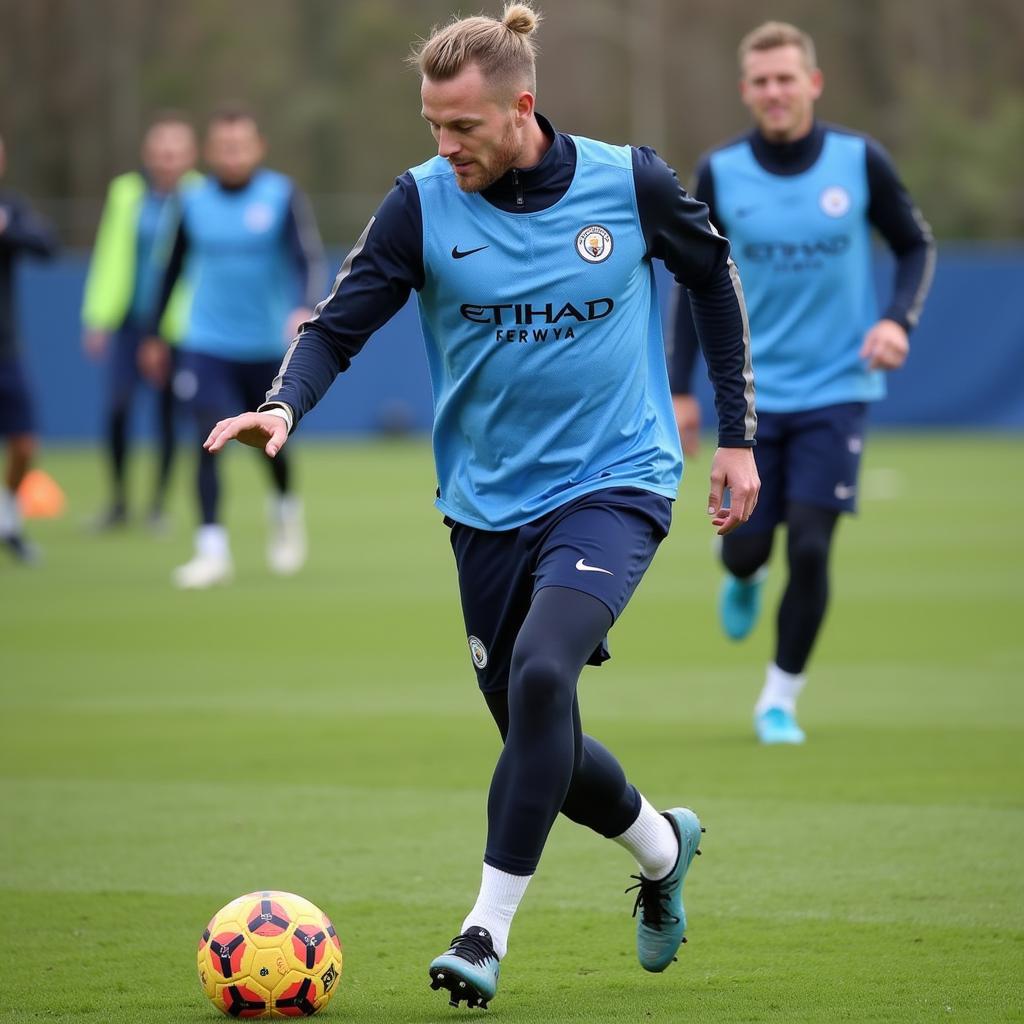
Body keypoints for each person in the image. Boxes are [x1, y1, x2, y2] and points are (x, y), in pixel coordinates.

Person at [205, 3, 758, 1008]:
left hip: (614, 481)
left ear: (521, 109)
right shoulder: (419, 205)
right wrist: (283, 404)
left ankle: (483, 930)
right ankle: (661, 843)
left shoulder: (624, 181)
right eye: (431, 124)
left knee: (545, 673)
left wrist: (737, 437)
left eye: (462, 126)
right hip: (484, 504)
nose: (444, 144)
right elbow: (336, 327)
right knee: (530, 727)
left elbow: (711, 276)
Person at [668, 21, 935, 745]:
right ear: (744, 91)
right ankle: (743, 574)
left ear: (812, 83)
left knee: (812, 545)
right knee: (752, 548)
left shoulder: (858, 161)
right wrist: (682, 386)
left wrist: (897, 322)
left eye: (787, 78)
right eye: (761, 81)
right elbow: (693, 282)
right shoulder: (720, 172)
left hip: (838, 389)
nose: (775, 92)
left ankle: (778, 698)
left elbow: (914, 244)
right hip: (748, 394)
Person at [148, 106, 325, 588]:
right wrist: (154, 335)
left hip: (266, 343)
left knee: (271, 445)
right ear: (210, 151)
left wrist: (303, 306)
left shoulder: (280, 195)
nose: (232, 155)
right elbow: (171, 270)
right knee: (207, 436)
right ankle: (211, 549)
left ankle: (285, 511)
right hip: (206, 341)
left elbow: (304, 258)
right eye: (224, 147)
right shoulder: (192, 201)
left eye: (241, 146)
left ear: (258, 148)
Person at [81, 112, 199, 531]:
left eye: (175, 152)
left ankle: (157, 507)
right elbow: (110, 256)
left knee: (168, 415)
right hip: (129, 322)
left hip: (176, 327)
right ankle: (117, 501)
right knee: (117, 408)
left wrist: (174, 330)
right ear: (148, 154)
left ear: (190, 156)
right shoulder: (126, 193)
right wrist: (97, 316)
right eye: (160, 152)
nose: (167, 160)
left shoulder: (201, 196)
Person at [0, 132, 59, 562]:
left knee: (24, 443)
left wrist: (9, 229)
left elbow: (46, 245)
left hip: (5, 348)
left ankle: (8, 520)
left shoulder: (10, 208)